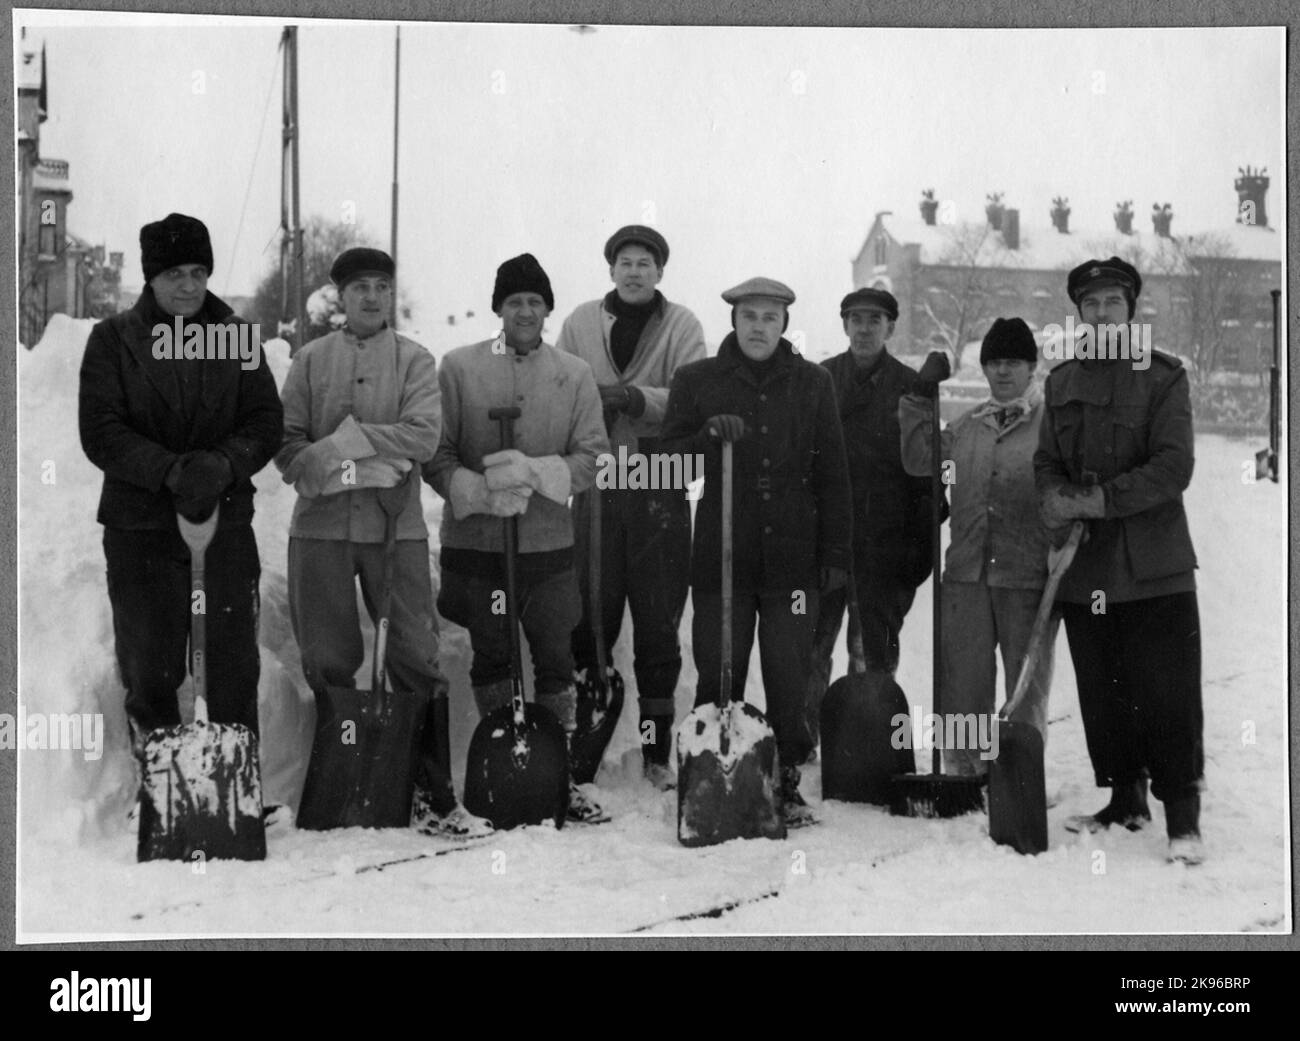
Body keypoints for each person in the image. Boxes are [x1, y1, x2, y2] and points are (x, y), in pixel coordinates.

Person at [275, 247, 489, 837]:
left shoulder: (416, 360)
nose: (371, 297)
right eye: (359, 287)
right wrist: (353, 466)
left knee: (416, 653)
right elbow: (289, 451)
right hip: (319, 532)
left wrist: (341, 443)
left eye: (381, 287)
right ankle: (342, 783)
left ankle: (434, 794)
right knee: (327, 655)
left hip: (397, 531)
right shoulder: (311, 361)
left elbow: (422, 437)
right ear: (339, 297)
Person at [79, 212, 283, 791]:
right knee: (150, 661)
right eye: (174, 274)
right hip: (140, 526)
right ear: (150, 278)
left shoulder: (237, 337)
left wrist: (223, 463)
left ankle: (233, 789)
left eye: (198, 271)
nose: (189, 286)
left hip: (223, 525)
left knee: (232, 660)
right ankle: (162, 787)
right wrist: (169, 471)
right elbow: (101, 430)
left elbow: (265, 420)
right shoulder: (114, 340)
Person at [660, 278, 852, 827]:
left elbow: (833, 474)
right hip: (725, 557)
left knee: (789, 672)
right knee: (720, 667)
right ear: (734, 322)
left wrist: (836, 551)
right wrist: (704, 440)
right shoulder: (696, 380)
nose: (759, 327)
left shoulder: (813, 384)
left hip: (794, 558)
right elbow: (670, 465)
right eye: (749, 317)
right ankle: (709, 781)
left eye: (770, 317)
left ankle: (784, 779)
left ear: (785, 324)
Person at [425, 253, 610, 823]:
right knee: (493, 651)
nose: (524, 311)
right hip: (479, 546)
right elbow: (435, 453)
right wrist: (479, 490)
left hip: (548, 546)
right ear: (498, 309)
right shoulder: (459, 368)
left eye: (534, 302)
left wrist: (538, 473)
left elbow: (595, 457)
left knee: (554, 654)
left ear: (548, 309)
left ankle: (561, 773)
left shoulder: (573, 374)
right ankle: (504, 767)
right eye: (514, 302)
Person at [1034, 256, 1205, 865]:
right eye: (1091, 305)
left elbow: (1173, 466)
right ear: (1079, 313)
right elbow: (1046, 461)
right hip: (1088, 569)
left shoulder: (1164, 377)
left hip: (1154, 568)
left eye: (1113, 302)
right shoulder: (1060, 382)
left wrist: (1103, 499)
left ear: (1131, 309)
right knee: (1105, 692)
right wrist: (1053, 498)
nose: (1102, 313)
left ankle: (1183, 819)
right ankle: (1125, 800)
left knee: (1169, 695)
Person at [555, 225, 707, 789]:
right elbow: (561, 387)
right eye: (626, 262)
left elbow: (693, 397)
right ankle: (584, 741)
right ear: (611, 269)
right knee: (591, 611)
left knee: (658, 619)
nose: (635, 271)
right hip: (597, 483)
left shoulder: (683, 325)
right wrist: (587, 404)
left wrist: (636, 398)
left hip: (657, 481)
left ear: (660, 273)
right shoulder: (579, 322)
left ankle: (655, 751)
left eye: (646, 263)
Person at [899, 317, 1057, 774]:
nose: (1003, 372)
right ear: (984, 369)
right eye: (994, 363)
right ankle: (965, 770)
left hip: (1027, 576)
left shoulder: (1053, 427)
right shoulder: (968, 426)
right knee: (965, 680)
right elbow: (918, 459)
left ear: (1033, 367)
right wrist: (916, 399)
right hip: (967, 573)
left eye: (1014, 363)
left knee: (1025, 682)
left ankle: (1019, 772)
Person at [805, 288, 940, 747]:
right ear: (844, 326)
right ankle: (804, 747)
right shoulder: (818, 379)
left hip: (883, 547)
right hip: (824, 545)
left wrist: (916, 549)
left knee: (871, 654)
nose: (864, 328)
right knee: (812, 648)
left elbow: (927, 478)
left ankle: (863, 747)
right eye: (856, 319)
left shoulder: (910, 387)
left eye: (875, 320)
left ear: (890, 328)